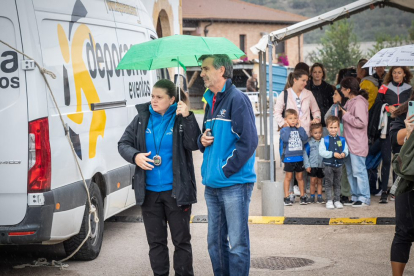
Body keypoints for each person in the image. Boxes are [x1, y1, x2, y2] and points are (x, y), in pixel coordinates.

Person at [118, 79, 201, 276]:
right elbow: (123, 143)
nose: (154, 101)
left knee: (181, 242)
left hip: (176, 192)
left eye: (159, 97)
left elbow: (194, 144)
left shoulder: (181, 117)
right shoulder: (142, 118)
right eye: (152, 96)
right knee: (156, 244)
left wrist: (188, 116)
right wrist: (135, 156)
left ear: (172, 99)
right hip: (149, 193)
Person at [197, 54, 258, 276]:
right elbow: (208, 137)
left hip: (234, 184)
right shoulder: (210, 101)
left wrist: (225, 169)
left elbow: (249, 141)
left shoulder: (237, 99)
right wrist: (201, 140)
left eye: (205, 69)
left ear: (221, 70)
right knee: (215, 243)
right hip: (213, 185)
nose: (201, 73)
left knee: (237, 244)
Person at [372, 66, 413, 203]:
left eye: (399, 72)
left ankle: (396, 191)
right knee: (386, 160)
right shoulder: (384, 87)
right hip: (386, 127)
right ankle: (384, 191)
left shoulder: (409, 88)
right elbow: (377, 104)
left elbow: (411, 105)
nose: (396, 75)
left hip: (401, 127)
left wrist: (401, 108)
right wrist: (387, 107)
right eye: (394, 72)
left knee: (398, 159)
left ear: (404, 74)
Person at [389, 101, 414, 275]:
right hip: (407, 177)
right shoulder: (406, 110)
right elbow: (394, 139)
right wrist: (409, 131)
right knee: (403, 231)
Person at [339, 77, 371, 207]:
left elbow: (362, 122)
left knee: (359, 171)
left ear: (348, 89)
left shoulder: (359, 103)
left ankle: (364, 197)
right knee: (351, 171)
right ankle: (355, 195)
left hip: (357, 143)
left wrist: (346, 115)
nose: (341, 91)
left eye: (342, 88)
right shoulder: (350, 101)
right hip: (348, 142)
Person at [275, 69, 321, 136]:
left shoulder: (309, 94)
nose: (305, 83)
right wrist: (283, 124)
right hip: (289, 134)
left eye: (306, 81)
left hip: (305, 133)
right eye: (303, 80)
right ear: (295, 80)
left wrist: (316, 119)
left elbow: (316, 110)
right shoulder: (284, 94)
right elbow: (277, 112)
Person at [319, 116, 349, 209]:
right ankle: (329, 200)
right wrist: (332, 154)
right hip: (328, 165)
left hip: (339, 165)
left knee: (337, 183)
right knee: (328, 183)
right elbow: (322, 152)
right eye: (331, 127)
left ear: (338, 128)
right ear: (327, 128)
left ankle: (337, 200)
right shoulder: (324, 140)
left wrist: (344, 153)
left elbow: (346, 149)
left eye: (335, 127)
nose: (333, 130)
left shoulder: (342, 139)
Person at [280, 109, 309, 205]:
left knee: (300, 177)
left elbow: (305, 139)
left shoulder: (300, 129)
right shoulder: (284, 130)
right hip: (289, 157)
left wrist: (300, 128)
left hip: (299, 157)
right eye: (290, 118)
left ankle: (302, 196)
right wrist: (287, 128)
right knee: (288, 177)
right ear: (286, 120)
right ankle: (286, 196)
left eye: (295, 118)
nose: (293, 120)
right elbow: (284, 139)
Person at [307, 63, 335, 133]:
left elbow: (332, 105)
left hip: (325, 122)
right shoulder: (306, 87)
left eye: (319, 72)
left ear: (323, 74)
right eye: (315, 72)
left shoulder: (328, 88)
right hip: (310, 123)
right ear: (311, 74)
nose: (317, 74)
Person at [303, 123, 324, 204]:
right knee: (312, 181)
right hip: (312, 166)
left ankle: (319, 197)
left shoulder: (323, 142)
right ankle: (312, 196)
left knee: (320, 182)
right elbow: (305, 155)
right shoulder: (309, 143)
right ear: (311, 133)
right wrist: (307, 165)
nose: (318, 134)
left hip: (321, 165)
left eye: (319, 132)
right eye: (315, 133)